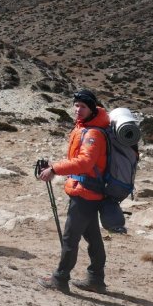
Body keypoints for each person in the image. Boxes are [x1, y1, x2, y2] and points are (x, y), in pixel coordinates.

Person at [38, 89, 111, 294]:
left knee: (70, 238)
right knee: (93, 237)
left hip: (86, 192)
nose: (78, 109)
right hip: (88, 190)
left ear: (92, 109)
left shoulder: (93, 133)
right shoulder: (86, 127)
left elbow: (85, 162)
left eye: (83, 106)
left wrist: (54, 169)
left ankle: (60, 278)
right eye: (76, 105)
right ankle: (96, 279)